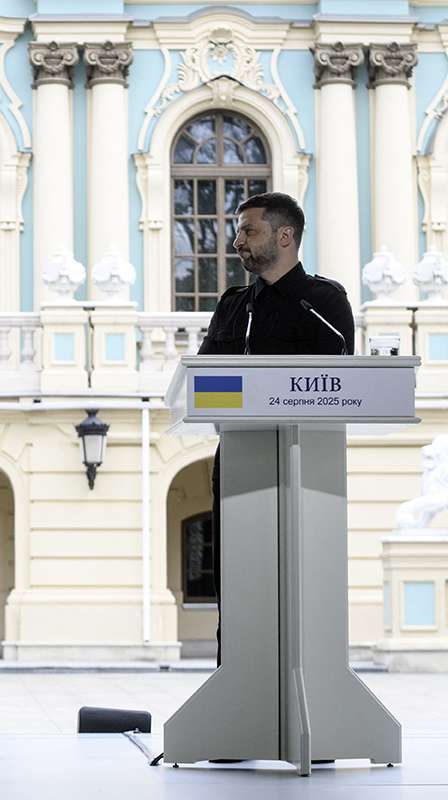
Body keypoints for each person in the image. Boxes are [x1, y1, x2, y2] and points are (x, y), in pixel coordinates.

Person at [197, 191, 354, 665]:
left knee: (302, 583)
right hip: (240, 462)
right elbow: (203, 383)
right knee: (239, 585)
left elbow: (337, 382)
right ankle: (236, 688)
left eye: (249, 230)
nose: (237, 240)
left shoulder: (323, 302)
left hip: (305, 464)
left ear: (285, 236)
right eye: (239, 231)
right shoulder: (232, 306)